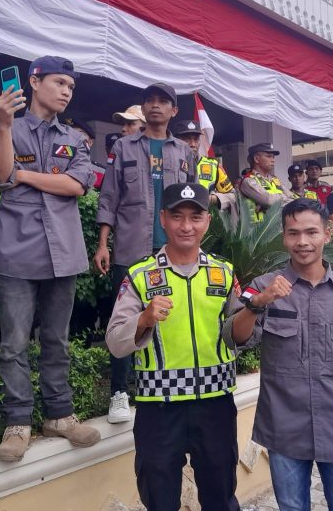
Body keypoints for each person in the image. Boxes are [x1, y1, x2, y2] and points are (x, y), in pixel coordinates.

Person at [225, 198, 333, 511]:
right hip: (284, 428)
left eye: (311, 232)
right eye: (293, 233)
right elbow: (233, 337)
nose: (302, 242)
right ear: (283, 237)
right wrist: (260, 301)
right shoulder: (262, 286)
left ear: (327, 234)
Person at [0, 56, 100, 461]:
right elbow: (0, 176)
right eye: (59, 82)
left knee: (57, 339)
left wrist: (25, 175)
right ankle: (17, 423)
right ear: (34, 82)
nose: (67, 91)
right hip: (15, 249)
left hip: (63, 252)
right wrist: (3, 126)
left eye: (71, 86)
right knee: (13, 344)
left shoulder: (76, 139)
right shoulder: (4, 128)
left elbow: (76, 185)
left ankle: (60, 415)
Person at [106, 183, 241, 510]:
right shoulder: (140, 276)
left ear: (207, 221)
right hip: (160, 408)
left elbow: (241, 332)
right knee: (160, 498)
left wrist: (257, 307)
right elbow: (115, 340)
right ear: (163, 219)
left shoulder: (223, 273)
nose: (186, 226)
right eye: (177, 217)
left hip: (215, 404)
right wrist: (144, 319)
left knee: (221, 496)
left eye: (195, 217)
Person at [95, 82, 195, 424]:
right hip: (131, 249)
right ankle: (119, 393)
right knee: (125, 320)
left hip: (172, 250)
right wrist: (102, 243)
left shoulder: (184, 151)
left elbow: (193, 202)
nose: (155, 106)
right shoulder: (123, 147)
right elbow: (109, 196)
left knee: (169, 317)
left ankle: (162, 383)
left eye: (163, 101)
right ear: (143, 108)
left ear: (173, 111)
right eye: (149, 100)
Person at [172, 119, 236, 211]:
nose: (192, 144)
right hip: (176, 218)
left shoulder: (213, 165)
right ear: (175, 140)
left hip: (205, 219)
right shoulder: (168, 163)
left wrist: (213, 199)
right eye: (187, 139)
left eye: (196, 139)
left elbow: (233, 196)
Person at [238, 143, 292, 223]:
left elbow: (294, 199)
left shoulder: (275, 179)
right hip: (261, 231)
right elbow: (269, 201)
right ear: (256, 159)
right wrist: (284, 199)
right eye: (269, 156)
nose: (273, 160)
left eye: (273, 157)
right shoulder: (249, 180)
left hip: (280, 227)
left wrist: (266, 205)